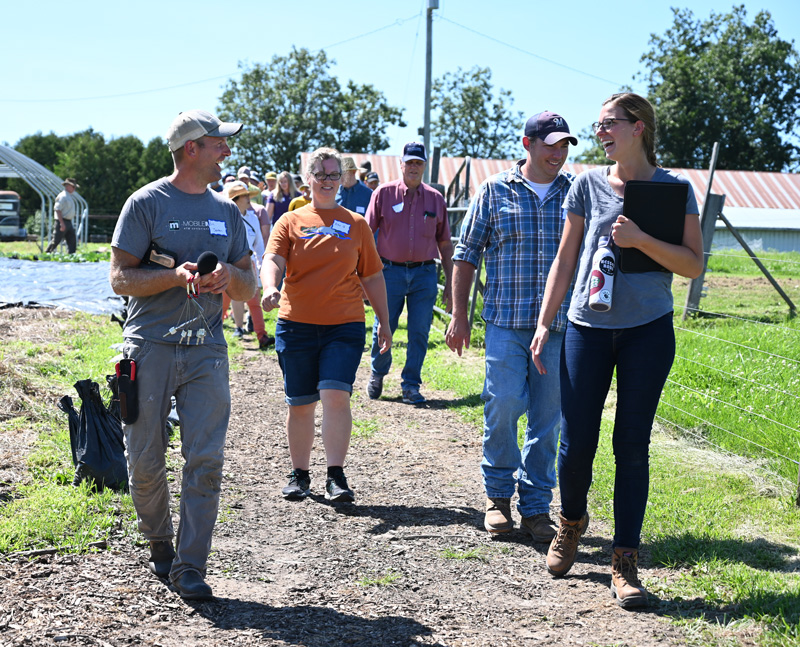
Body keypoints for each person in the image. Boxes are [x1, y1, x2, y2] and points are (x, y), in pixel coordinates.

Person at [531, 93, 703, 609]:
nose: (601, 131)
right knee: (576, 441)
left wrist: (641, 239)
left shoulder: (675, 191)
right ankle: (571, 524)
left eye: (610, 123)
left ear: (639, 127)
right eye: (599, 124)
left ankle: (625, 562)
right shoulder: (585, 184)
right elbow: (566, 258)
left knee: (631, 446)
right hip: (587, 327)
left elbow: (693, 265)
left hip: (648, 331)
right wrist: (545, 322)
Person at [109, 109, 256, 601]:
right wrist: (174, 277)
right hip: (148, 347)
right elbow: (119, 278)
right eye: (219, 143)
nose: (227, 152)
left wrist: (227, 279)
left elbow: (250, 280)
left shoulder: (227, 211)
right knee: (145, 460)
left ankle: (191, 565)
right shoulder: (145, 203)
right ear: (191, 148)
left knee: (206, 460)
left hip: (207, 351)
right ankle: (160, 545)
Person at [445, 112, 577, 541]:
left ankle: (536, 506)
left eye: (564, 146)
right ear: (527, 144)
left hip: (558, 326)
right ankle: (498, 496)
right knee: (503, 403)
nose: (557, 153)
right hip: (506, 321)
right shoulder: (495, 190)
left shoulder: (575, 193)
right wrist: (459, 314)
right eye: (550, 145)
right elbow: (466, 253)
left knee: (547, 418)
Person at [261, 147, 391, 504]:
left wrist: (384, 320)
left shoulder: (356, 224)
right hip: (296, 323)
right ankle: (299, 474)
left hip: (344, 324)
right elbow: (272, 258)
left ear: (343, 179)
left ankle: (335, 475)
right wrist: (271, 286)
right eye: (320, 174)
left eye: (334, 175)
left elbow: (373, 276)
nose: (327, 181)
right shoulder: (290, 221)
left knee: (336, 395)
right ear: (308, 179)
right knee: (301, 403)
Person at [365, 142, 453, 405]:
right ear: (400, 164)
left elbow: (445, 242)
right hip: (389, 271)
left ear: (424, 166)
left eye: (419, 163)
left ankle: (411, 384)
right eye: (410, 162)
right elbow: (367, 234)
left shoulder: (435, 199)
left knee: (419, 331)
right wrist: (363, 274)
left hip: (425, 273)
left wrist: (449, 281)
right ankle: (378, 371)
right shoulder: (383, 193)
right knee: (384, 324)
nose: (414, 167)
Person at [222, 181, 272, 348]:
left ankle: (262, 336)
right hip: (228, 264)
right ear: (236, 199)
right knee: (222, 303)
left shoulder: (252, 217)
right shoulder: (226, 218)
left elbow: (258, 244)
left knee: (254, 302)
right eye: (245, 196)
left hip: (248, 264)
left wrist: (260, 264)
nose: (249, 198)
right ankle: (212, 335)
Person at [45, 178, 80, 254]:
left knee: (72, 239)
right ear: (67, 186)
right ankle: (47, 253)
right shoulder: (62, 196)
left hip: (68, 222)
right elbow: (57, 209)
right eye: (73, 186)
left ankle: (71, 254)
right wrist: (61, 223)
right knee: (56, 240)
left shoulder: (69, 196)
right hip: (62, 221)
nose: (74, 189)